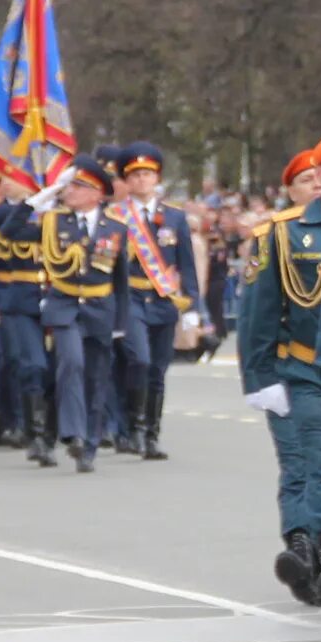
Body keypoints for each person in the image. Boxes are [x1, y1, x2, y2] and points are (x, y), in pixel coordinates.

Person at [240, 131, 321, 618]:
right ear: (319, 175)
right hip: (306, 367)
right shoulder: (282, 232)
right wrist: (260, 377)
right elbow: (258, 309)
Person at [109, 143, 201, 460]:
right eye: (135, 175)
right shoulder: (117, 216)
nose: (142, 180)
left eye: (148, 174)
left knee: (158, 370)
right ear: (126, 180)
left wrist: (192, 307)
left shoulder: (174, 217)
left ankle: (151, 435)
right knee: (139, 360)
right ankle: (131, 427)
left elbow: (186, 265)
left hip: (164, 299)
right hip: (131, 298)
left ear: (157, 178)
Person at [39, 163, 126, 474]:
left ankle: (88, 446)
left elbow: (121, 281)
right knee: (72, 362)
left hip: (100, 310)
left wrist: (121, 324)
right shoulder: (53, 221)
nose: (69, 191)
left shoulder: (115, 227)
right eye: (69, 186)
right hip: (64, 307)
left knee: (96, 378)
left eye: (77, 187)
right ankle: (73, 432)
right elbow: (10, 227)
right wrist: (43, 195)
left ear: (96, 194)